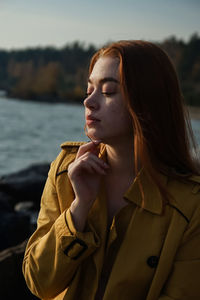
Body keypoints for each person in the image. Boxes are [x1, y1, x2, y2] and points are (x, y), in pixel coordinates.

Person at [23, 40, 200, 300]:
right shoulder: (65, 171)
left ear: (148, 102)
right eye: (89, 89)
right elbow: (39, 282)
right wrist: (79, 208)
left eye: (107, 92)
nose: (88, 102)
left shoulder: (190, 204)